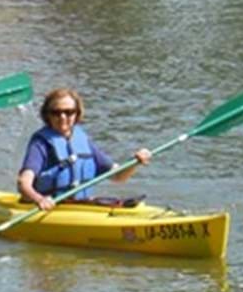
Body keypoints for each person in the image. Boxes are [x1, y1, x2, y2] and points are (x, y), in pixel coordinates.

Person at [17, 87, 149, 209]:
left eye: (68, 112)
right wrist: (39, 199)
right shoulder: (41, 143)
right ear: (47, 115)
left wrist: (135, 161)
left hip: (79, 206)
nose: (62, 117)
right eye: (56, 112)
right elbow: (24, 183)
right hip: (48, 207)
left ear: (76, 114)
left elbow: (118, 176)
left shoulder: (82, 141)